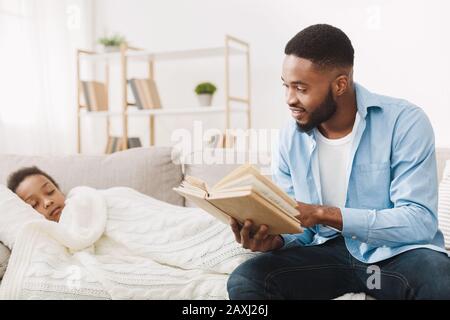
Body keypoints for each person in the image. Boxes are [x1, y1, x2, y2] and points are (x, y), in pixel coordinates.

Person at [227, 24, 450, 300]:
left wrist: (324, 213)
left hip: (393, 257)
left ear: (340, 84)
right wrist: (276, 240)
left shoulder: (405, 122)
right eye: (286, 86)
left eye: (301, 88)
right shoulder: (289, 136)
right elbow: (301, 230)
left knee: (440, 279)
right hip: (327, 257)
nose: (289, 99)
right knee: (248, 277)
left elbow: (420, 221)